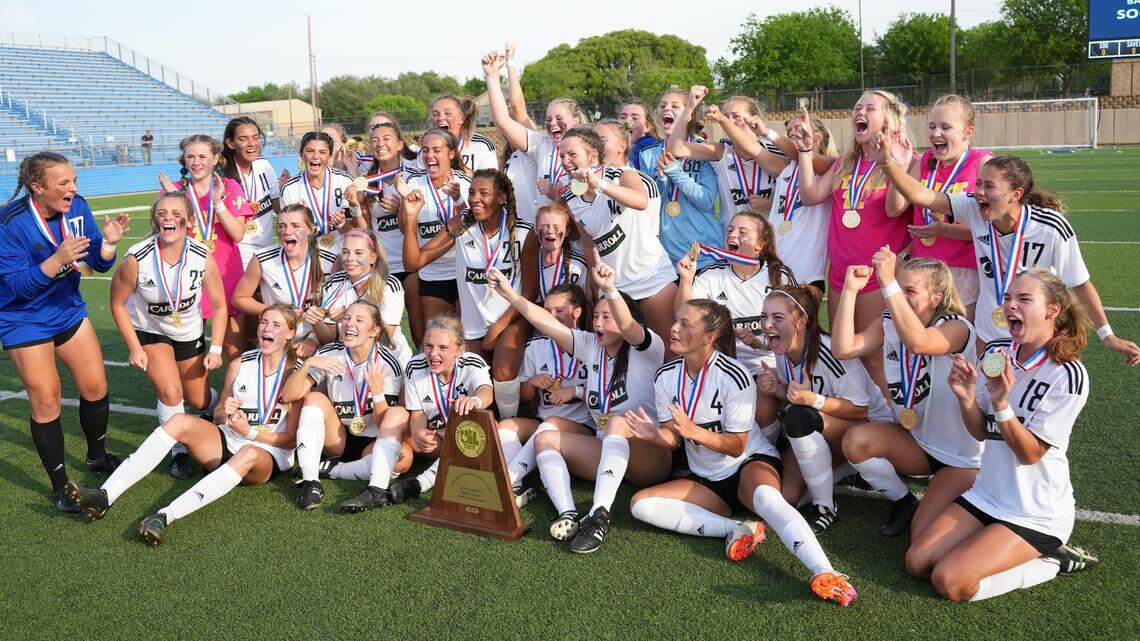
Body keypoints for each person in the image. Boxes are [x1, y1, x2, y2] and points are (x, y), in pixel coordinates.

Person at [625, 299, 857, 607]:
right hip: (707, 477)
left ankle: (824, 571)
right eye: (676, 320)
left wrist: (694, 432)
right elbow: (673, 438)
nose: (673, 328)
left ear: (709, 337)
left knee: (768, 499)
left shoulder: (733, 375)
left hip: (747, 461)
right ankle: (738, 528)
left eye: (684, 324)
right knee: (640, 505)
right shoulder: (666, 376)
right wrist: (656, 436)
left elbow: (736, 444)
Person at [906, 269, 1098, 601]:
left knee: (949, 581)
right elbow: (980, 431)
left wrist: (1002, 403)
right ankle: (990, 546)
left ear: (1052, 310)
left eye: (1024, 299)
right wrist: (967, 397)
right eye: (1008, 298)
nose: (1011, 305)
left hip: (1033, 510)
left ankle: (1051, 561)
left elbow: (1030, 454)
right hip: (988, 495)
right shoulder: (997, 352)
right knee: (916, 562)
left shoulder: (1067, 374)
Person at [870, 133, 1140, 365]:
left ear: (1016, 194)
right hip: (988, 337)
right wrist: (887, 162)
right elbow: (921, 195)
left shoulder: (1051, 227)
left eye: (989, 186)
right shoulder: (973, 209)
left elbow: (1081, 285)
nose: (979, 193)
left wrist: (1108, 336)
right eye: (978, 184)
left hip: (1036, 339)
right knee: (987, 411)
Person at [64, 305, 302, 546]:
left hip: (265, 455)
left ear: (290, 333)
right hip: (227, 442)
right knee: (178, 421)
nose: (266, 328)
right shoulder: (241, 363)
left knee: (249, 452)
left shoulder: (297, 371)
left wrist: (249, 432)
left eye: (276, 325)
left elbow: (291, 440)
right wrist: (224, 411)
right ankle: (104, 496)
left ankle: (165, 516)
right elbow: (219, 416)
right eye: (263, 322)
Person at [488, 258, 670, 554]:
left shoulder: (647, 349)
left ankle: (598, 517)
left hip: (650, 456)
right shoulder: (591, 346)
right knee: (545, 438)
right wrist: (511, 295)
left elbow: (628, 325)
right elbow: (545, 321)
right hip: (608, 449)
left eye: (607, 317)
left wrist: (610, 290)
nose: (598, 323)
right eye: (596, 316)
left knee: (619, 422)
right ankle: (569, 513)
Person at [0, 152, 129, 511]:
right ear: (37, 187)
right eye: (64, 183)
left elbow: (98, 264)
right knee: (47, 399)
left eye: (74, 181)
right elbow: (17, 287)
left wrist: (109, 242)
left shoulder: (78, 206)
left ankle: (97, 457)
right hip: (23, 317)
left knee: (96, 386)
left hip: (66, 309)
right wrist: (57, 259)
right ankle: (61, 489)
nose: (73, 189)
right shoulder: (9, 222)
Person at [831, 251, 982, 538]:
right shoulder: (890, 321)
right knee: (856, 441)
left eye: (908, 290)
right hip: (918, 442)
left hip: (960, 458)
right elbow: (843, 348)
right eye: (898, 288)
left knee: (921, 536)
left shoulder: (956, 327)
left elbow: (919, 343)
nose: (897, 295)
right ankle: (904, 500)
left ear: (935, 299)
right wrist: (850, 291)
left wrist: (887, 280)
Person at [790, 92, 917, 391]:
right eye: (857, 107)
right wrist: (806, 151)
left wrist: (892, 163)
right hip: (841, 274)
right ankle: (857, 416)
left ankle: (890, 424)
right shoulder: (846, 162)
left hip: (877, 274)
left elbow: (894, 209)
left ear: (889, 119)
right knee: (843, 354)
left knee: (874, 358)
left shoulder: (908, 159)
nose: (860, 111)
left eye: (870, 108)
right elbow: (810, 196)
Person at [757, 285, 893, 534]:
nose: (767, 325)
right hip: (826, 428)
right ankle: (843, 470)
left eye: (777, 318)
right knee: (787, 499)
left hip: (871, 431)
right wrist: (777, 389)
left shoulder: (829, 351)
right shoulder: (784, 349)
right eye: (764, 316)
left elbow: (860, 409)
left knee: (798, 416)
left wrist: (811, 400)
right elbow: (799, 397)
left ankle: (825, 506)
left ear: (800, 321)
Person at [400, 168, 534, 418]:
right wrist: (410, 219)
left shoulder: (524, 231)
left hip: (512, 318)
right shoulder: (461, 227)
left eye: (484, 193)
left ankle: (509, 426)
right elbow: (413, 263)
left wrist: (498, 327)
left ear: (502, 198)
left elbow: (530, 291)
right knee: (470, 378)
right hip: (473, 326)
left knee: (503, 366)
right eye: (471, 192)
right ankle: (489, 427)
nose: (474, 198)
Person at [111, 192, 228, 463]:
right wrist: (134, 347)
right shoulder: (136, 259)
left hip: (188, 332)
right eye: (162, 213)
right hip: (150, 331)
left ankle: (222, 406)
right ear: (155, 220)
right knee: (171, 392)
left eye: (176, 214)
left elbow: (220, 306)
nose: (169, 218)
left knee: (199, 401)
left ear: (188, 222)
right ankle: (179, 450)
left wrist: (217, 349)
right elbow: (117, 304)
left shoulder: (202, 256)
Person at [559, 123, 678, 354]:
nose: (565, 161)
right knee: (620, 361)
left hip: (652, 279)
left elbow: (640, 200)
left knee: (669, 354)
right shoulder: (571, 193)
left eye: (572, 154)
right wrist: (592, 280)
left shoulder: (623, 175)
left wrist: (599, 184)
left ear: (593, 155)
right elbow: (588, 240)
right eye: (562, 155)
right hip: (615, 289)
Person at [282, 300, 409, 510]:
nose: (349, 324)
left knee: (403, 454)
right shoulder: (330, 352)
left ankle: (333, 470)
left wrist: (377, 393)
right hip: (338, 438)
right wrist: (307, 364)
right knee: (313, 398)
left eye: (359, 320)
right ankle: (311, 481)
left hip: (372, 442)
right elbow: (288, 395)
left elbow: (384, 421)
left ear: (374, 331)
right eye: (347, 318)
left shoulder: (388, 362)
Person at [676, 210, 793, 431]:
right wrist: (686, 280)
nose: (733, 235)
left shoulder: (779, 277)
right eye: (730, 230)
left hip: (767, 365)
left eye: (743, 232)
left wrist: (759, 343)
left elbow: (793, 335)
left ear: (760, 244)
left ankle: (767, 451)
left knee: (761, 412)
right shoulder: (710, 276)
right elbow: (683, 318)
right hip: (722, 366)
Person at [383, 315, 495, 506]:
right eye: (428, 346)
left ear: (459, 350)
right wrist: (419, 432)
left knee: (472, 441)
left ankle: (418, 484)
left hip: (469, 438)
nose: (433, 354)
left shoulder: (472, 362)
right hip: (436, 439)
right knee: (406, 444)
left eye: (443, 347)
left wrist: (474, 401)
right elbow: (417, 413)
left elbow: (486, 392)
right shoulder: (415, 366)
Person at [158, 134, 253, 361]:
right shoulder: (174, 191)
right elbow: (163, 237)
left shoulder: (230, 187)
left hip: (226, 274)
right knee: (191, 350)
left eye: (202, 156)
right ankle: (201, 397)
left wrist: (218, 203)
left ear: (216, 158)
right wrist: (175, 202)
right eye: (190, 156)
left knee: (232, 348)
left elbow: (238, 234)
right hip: (189, 275)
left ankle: (233, 394)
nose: (196, 162)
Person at [501, 283, 594, 496]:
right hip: (544, 424)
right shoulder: (536, 346)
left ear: (577, 312)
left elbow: (603, 398)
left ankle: (510, 477)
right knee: (504, 426)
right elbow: (525, 397)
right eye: (547, 311)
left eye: (559, 311)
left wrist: (575, 391)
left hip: (582, 427)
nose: (551, 316)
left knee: (552, 424)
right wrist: (532, 382)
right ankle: (516, 489)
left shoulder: (590, 344)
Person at [906, 95, 992, 321]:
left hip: (962, 270)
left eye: (946, 127)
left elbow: (988, 228)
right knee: (923, 343)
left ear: (967, 131)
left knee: (959, 340)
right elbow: (895, 207)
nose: (936, 134)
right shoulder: (925, 160)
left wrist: (943, 229)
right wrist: (900, 160)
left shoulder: (983, 163)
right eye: (932, 126)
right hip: (923, 268)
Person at [666, 88, 789, 230]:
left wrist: (770, 203)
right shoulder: (721, 151)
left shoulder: (775, 150)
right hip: (732, 242)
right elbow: (676, 149)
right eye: (726, 116)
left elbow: (800, 199)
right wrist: (690, 107)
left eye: (736, 116)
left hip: (771, 242)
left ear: (755, 119)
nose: (729, 121)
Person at [231, 203, 338, 359]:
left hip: (314, 342)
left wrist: (312, 340)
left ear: (311, 230)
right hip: (276, 340)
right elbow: (239, 299)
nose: (287, 231)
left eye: (295, 226)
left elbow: (330, 328)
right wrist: (275, 312)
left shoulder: (329, 261)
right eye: (281, 226)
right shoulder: (262, 258)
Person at [483, 50, 585, 209]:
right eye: (548, 119)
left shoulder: (591, 146)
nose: (552, 123)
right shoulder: (541, 143)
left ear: (576, 120)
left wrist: (557, 194)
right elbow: (503, 121)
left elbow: (592, 190)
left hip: (580, 229)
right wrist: (492, 77)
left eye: (559, 118)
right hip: (546, 229)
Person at [641, 88, 721, 266]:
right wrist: (661, 179)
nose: (666, 109)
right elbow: (649, 206)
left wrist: (675, 172)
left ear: (688, 114)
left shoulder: (703, 150)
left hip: (702, 254)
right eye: (662, 105)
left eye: (675, 106)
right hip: (664, 256)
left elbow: (707, 201)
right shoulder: (647, 154)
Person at [765, 112, 836, 292]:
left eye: (799, 129)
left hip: (807, 269)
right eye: (790, 132)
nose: (793, 135)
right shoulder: (786, 168)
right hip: (776, 260)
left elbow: (803, 155)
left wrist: (767, 132)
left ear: (817, 136)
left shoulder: (829, 166)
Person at [313, 230, 409, 360]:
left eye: (358, 253)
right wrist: (315, 321)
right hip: (350, 357)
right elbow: (329, 340)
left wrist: (349, 315)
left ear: (372, 258)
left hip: (386, 357)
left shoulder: (389, 285)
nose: (349, 258)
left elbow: (384, 339)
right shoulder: (333, 283)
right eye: (345, 252)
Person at [280, 131, 362, 256]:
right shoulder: (290, 189)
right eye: (310, 151)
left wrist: (343, 223)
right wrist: (305, 223)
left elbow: (360, 231)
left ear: (330, 157)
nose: (315, 156)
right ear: (301, 154)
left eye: (322, 152)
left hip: (344, 259)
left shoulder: (344, 181)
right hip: (310, 259)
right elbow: (288, 238)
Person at [222, 116, 282, 268]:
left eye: (255, 138)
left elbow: (276, 205)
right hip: (237, 253)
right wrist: (242, 210)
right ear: (230, 143)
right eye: (243, 139)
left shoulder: (264, 165)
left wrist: (289, 194)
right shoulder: (222, 175)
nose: (251, 144)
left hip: (267, 250)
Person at [527, 202, 588, 303]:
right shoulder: (527, 261)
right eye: (544, 226)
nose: (550, 231)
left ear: (567, 231)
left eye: (556, 227)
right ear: (536, 229)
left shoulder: (579, 266)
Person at [425, 94, 498, 172]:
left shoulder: (481, 145)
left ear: (461, 118)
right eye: (435, 114)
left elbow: (490, 181)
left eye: (447, 113)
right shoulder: (426, 149)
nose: (440, 118)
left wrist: (457, 165)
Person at [618, 100, 659, 173]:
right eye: (623, 117)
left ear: (647, 127)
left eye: (634, 118)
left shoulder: (648, 146)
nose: (627, 121)